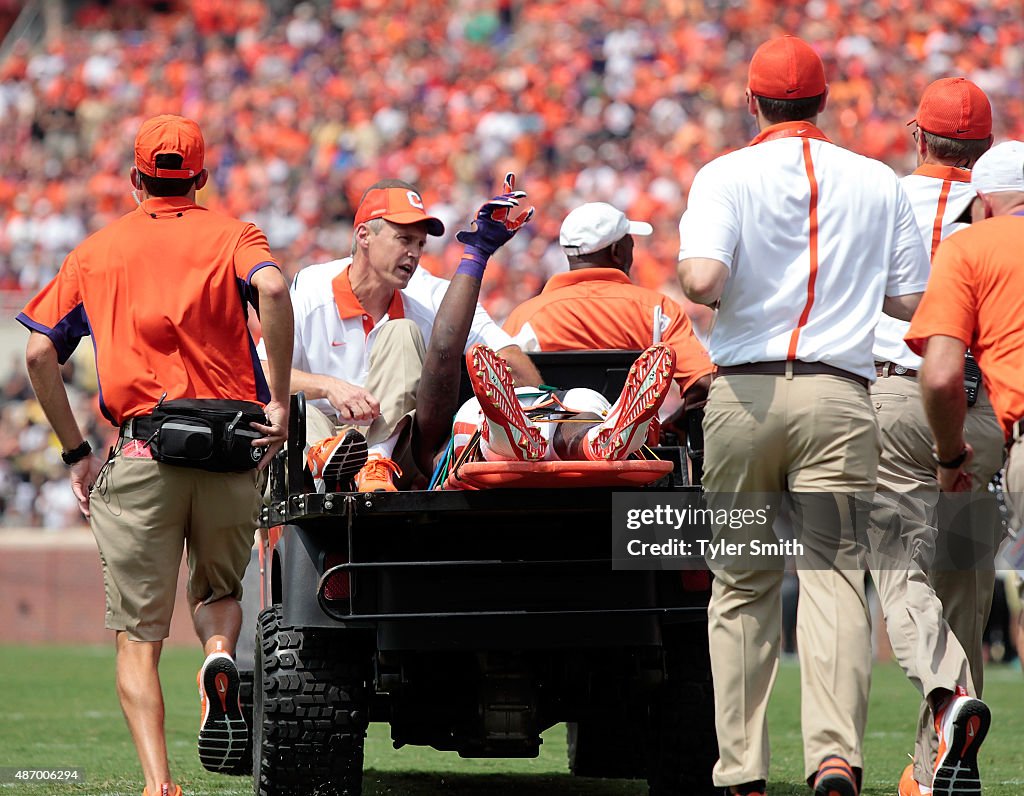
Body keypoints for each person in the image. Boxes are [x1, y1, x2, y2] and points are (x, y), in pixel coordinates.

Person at [677, 36, 930, 796]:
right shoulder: (877, 179)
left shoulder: (724, 173)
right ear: (824, 102)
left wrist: (727, 283)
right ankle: (833, 757)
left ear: (752, 102)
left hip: (747, 397)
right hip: (838, 397)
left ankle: (743, 771)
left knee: (744, 585)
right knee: (832, 579)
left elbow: (701, 278)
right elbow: (911, 301)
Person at [16, 114, 293, 796]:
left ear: (135, 179)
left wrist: (77, 452)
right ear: (201, 179)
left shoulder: (96, 251)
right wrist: (280, 404)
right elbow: (277, 288)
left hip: (141, 452)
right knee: (219, 592)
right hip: (231, 451)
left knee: (139, 637)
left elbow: (37, 351)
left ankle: (158, 785)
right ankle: (220, 656)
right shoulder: (233, 234)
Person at [867, 77, 1001, 796]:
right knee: (963, 588)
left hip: (899, 386)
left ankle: (948, 700)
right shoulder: (1004, 215)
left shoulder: (880, 196)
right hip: (982, 402)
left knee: (898, 567)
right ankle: (933, 774)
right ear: (985, 147)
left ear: (919, 135)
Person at [259, 178, 541, 493]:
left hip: (394, 460)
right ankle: (327, 460)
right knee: (301, 412)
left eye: (420, 244)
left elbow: (507, 354)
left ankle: (374, 461)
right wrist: (329, 387)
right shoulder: (312, 288)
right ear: (364, 236)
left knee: (402, 332)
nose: (414, 253)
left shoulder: (432, 295)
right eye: (403, 239)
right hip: (318, 439)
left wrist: (548, 413)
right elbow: (261, 373)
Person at [905, 140, 1024, 795]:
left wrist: (951, 455)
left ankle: (942, 754)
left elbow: (944, 372)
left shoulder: (971, 245)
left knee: (946, 583)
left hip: (982, 429)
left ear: (983, 201)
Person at [450, 201, 712, 467]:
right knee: (590, 409)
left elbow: (511, 381)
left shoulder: (526, 315)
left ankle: (519, 438)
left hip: (539, 458)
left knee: (519, 408)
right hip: (638, 456)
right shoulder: (659, 310)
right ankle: (609, 428)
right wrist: (676, 425)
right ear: (617, 251)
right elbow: (703, 385)